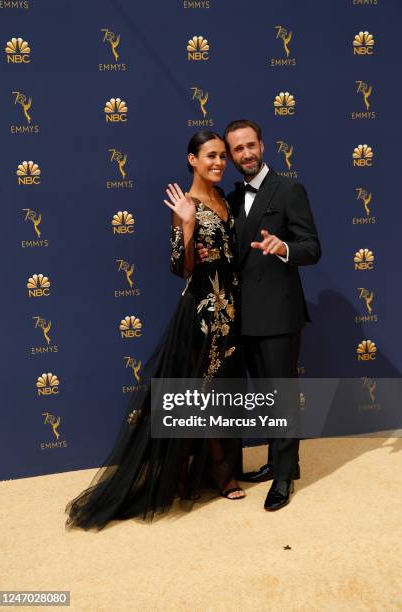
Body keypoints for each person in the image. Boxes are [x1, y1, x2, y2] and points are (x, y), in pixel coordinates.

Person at [65, 131, 245, 531]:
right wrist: (185, 225)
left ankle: (202, 469)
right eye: (210, 156)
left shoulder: (225, 201)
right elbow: (180, 268)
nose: (219, 162)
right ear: (192, 160)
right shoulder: (188, 204)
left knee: (220, 391)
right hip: (200, 312)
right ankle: (210, 471)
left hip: (230, 312)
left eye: (222, 156)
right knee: (201, 392)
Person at [198, 120, 321, 510]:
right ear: (231, 156)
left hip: (278, 314)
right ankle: (273, 462)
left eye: (251, 145)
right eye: (237, 149)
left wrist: (283, 246)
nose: (246, 154)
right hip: (241, 316)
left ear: (263, 146)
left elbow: (312, 248)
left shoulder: (288, 189)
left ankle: (285, 476)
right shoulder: (230, 198)